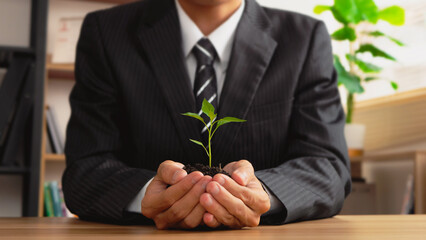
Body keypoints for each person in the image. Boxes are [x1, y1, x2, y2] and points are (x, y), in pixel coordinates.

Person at [63, 0, 351, 229]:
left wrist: (259, 195)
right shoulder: (107, 32)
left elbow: (328, 168)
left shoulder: (304, 38)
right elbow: (84, 169)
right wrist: (144, 195)